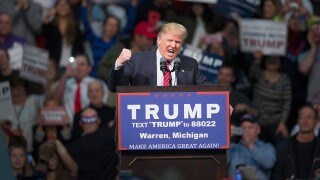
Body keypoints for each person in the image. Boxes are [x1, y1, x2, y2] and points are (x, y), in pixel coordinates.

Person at [107, 22, 210, 92]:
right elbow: (116, 88)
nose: (173, 45)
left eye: (178, 42)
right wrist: (119, 64)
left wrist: (224, 99)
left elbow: (209, 88)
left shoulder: (190, 64)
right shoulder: (137, 60)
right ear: (159, 40)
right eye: (170, 40)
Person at [53, 54, 109, 124]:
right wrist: (65, 76)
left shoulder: (98, 84)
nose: (78, 68)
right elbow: (55, 101)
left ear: (89, 68)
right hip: (67, 127)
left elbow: (101, 107)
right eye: (76, 64)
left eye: (82, 65)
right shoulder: (64, 82)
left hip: (90, 125)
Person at [66, 107, 118, 180]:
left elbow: (63, 152)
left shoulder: (76, 146)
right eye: (87, 120)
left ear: (80, 123)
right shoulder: (109, 134)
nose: (89, 123)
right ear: (99, 121)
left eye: (92, 119)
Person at [272, 105, 320, 179]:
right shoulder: (283, 148)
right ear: (298, 120)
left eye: (309, 117)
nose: (305, 121)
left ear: (316, 121)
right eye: (302, 117)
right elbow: (276, 175)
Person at [228, 114, 276, 180]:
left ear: (258, 130)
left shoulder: (266, 147)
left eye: (250, 128)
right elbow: (220, 160)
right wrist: (225, 138)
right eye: (243, 128)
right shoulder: (234, 147)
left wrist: (250, 145)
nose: (246, 131)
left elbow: (268, 163)